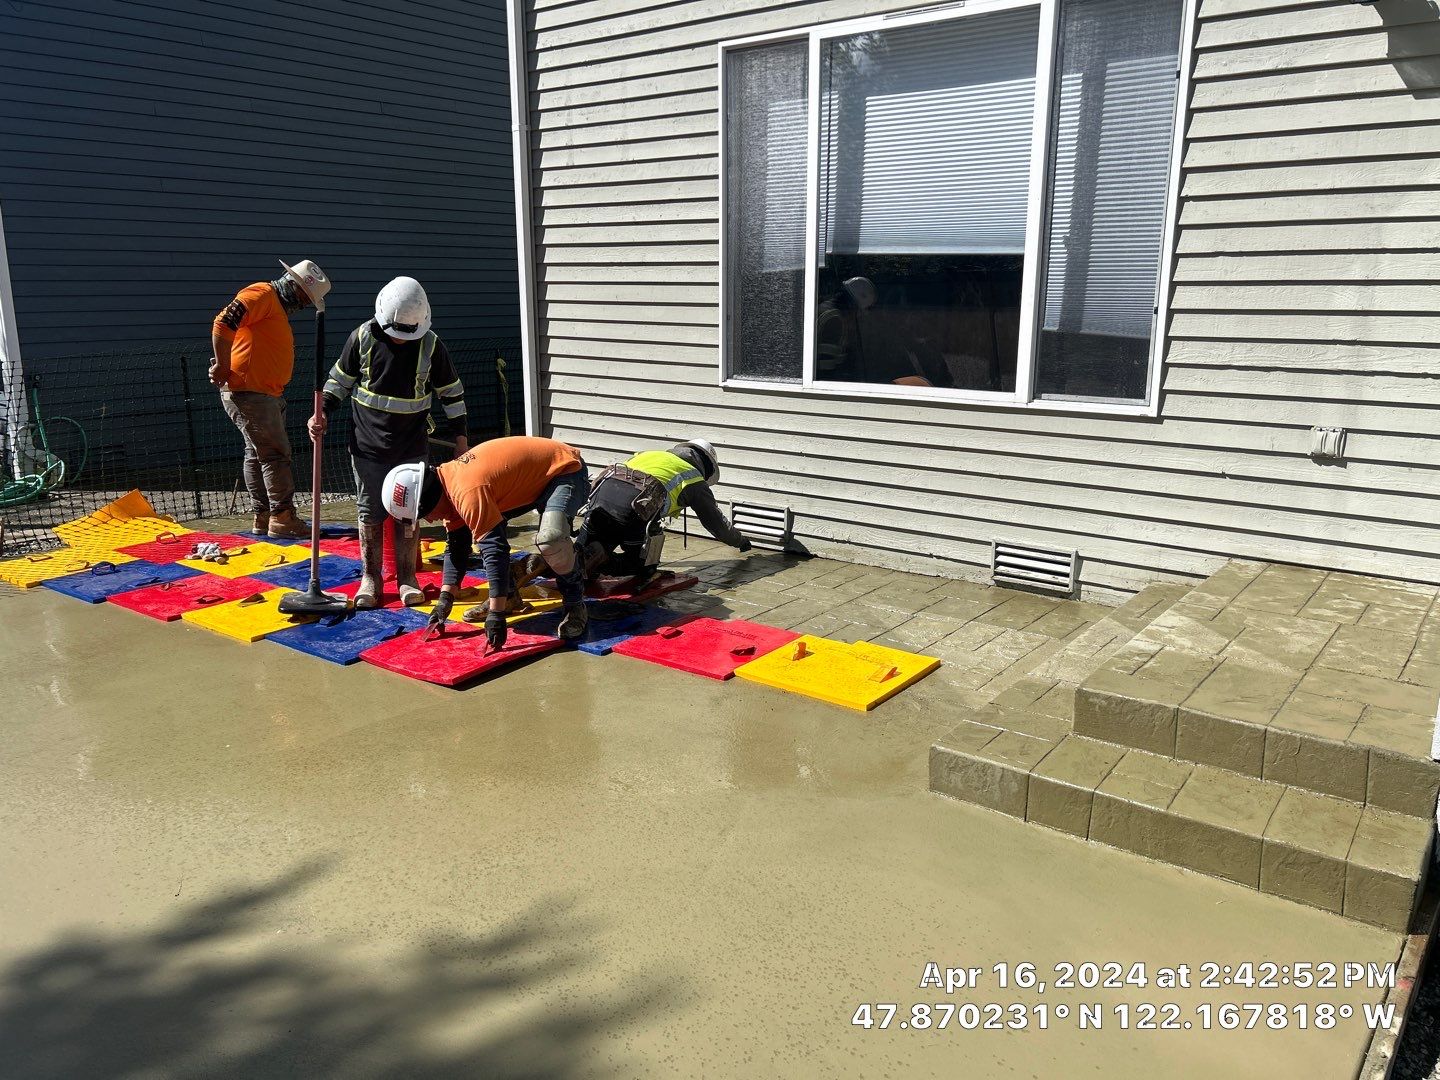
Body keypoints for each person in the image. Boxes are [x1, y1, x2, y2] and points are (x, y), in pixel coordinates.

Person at [307, 277, 467, 609]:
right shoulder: (362, 338)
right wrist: (320, 413)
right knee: (371, 513)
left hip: (411, 447)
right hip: (368, 447)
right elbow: (338, 382)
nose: (401, 340)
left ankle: (408, 578)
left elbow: (452, 394)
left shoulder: (431, 346)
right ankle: (371, 578)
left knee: (409, 514)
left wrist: (460, 440)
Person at [381, 436, 591, 648]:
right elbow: (457, 547)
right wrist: (445, 600)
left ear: (430, 497)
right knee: (482, 536)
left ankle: (575, 604)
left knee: (551, 540)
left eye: (425, 514)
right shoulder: (447, 485)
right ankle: (508, 597)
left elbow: (495, 550)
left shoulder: (467, 492)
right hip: (534, 478)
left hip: (565, 470)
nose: (429, 520)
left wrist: (496, 614)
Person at [210, 258, 331, 539]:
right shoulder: (262, 295)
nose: (302, 304)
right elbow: (224, 321)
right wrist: (222, 364)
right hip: (252, 392)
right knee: (275, 454)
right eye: (303, 297)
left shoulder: (271, 304)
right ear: (293, 286)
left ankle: (264, 516)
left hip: (260, 392)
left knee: (257, 454)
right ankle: (282, 517)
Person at [575, 440, 749, 583]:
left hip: (599, 499)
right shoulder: (694, 479)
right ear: (707, 467)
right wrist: (740, 541)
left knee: (576, 555)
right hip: (634, 508)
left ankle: (571, 556)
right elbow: (716, 524)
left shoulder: (650, 454)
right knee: (643, 567)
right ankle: (603, 558)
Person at [815, 276, 876, 381]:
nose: (860, 317)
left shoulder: (828, 309)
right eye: (860, 311)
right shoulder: (834, 320)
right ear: (852, 305)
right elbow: (826, 368)